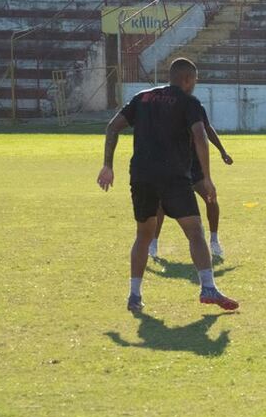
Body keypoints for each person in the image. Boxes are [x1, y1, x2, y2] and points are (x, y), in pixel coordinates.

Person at [97, 58, 239, 312]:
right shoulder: (188, 102)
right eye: (194, 80)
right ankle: (208, 288)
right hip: (173, 176)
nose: (194, 85)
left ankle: (134, 295)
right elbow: (200, 136)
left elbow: (112, 127)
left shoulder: (142, 98)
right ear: (187, 79)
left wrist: (108, 165)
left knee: (143, 235)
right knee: (194, 231)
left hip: (141, 176)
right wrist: (207, 177)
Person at [149, 109, 233, 260]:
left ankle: (214, 240)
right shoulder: (166, 107)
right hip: (174, 167)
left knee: (211, 198)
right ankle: (153, 243)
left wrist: (222, 151)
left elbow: (207, 128)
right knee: (160, 205)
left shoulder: (194, 107)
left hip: (194, 166)